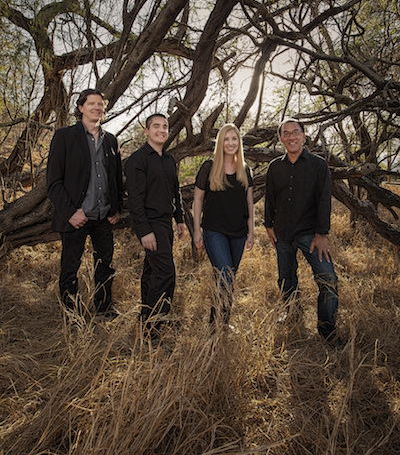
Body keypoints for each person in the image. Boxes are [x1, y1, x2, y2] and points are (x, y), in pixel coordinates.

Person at [47, 89, 123, 316]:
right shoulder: (65, 136)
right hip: (76, 217)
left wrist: (116, 208)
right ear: (81, 107)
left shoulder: (110, 140)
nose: (96, 108)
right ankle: (72, 315)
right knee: (70, 268)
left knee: (105, 266)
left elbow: (116, 178)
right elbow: (53, 181)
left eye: (100, 104)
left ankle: (104, 309)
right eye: (91, 104)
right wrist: (70, 213)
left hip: (103, 216)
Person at [264, 118, 339, 345]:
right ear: (280, 139)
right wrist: (268, 225)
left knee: (328, 279)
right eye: (285, 133)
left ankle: (327, 328)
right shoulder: (275, 167)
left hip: (311, 234)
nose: (291, 137)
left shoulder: (318, 165)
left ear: (304, 136)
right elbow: (270, 197)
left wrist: (321, 234)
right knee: (286, 279)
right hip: (283, 233)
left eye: (295, 132)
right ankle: (292, 314)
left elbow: (324, 200)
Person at [125, 113, 185, 334]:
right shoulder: (138, 160)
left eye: (165, 126)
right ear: (146, 131)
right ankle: (152, 327)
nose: (161, 130)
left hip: (166, 223)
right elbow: (135, 200)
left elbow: (175, 190)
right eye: (156, 126)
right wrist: (144, 231)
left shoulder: (168, 159)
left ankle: (148, 317)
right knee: (166, 273)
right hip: (151, 224)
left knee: (152, 273)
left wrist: (179, 219)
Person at [193, 124, 254, 328]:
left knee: (228, 279)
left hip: (239, 232)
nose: (230, 143)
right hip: (214, 230)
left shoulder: (244, 170)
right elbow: (198, 200)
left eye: (234, 139)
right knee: (225, 275)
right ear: (220, 143)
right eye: (226, 139)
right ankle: (215, 324)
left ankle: (222, 323)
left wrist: (252, 232)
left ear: (239, 143)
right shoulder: (208, 167)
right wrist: (196, 230)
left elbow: (250, 203)